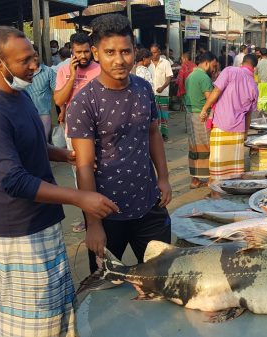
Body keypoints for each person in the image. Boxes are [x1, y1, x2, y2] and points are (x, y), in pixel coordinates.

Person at [0, 26, 118, 337]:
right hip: (17, 228)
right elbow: (13, 180)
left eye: (34, 58)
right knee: (33, 317)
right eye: (25, 61)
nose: (34, 66)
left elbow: (30, 144)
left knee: (56, 306)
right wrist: (78, 198)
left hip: (41, 219)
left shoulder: (18, 96)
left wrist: (65, 155)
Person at [66, 14, 172, 275]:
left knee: (162, 277)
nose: (119, 59)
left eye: (126, 51)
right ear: (95, 53)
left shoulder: (144, 89)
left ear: (134, 51)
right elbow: (84, 166)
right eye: (110, 52)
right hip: (105, 212)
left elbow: (153, 133)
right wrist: (93, 224)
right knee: (104, 287)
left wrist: (164, 178)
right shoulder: (83, 103)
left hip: (149, 204)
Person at [200, 54, 259, 199]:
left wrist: (205, 109)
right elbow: (249, 114)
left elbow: (216, 91)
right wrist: (245, 132)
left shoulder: (230, 71)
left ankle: (215, 193)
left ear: (242, 63)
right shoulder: (254, 85)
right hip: (238, 129)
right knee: (233, 166)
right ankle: (231, 193)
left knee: (217, 162)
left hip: (221, 124)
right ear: (254, 68)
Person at [184, 51, 218, 188]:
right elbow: (210, 97)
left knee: (194, 147)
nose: (214, 69)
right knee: (205, 146)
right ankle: (209, 178)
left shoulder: (190, 76)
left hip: (190, 114)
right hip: (201, 116)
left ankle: (195, 180)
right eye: (213, 66)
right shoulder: (204, 77)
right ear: (206, 63)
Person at [26, 45, 57, 140]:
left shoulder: (48, 72)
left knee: (43, 141)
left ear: (39, 55)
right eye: (30, 56)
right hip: (26, 114)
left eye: (35, 55)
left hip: (43, 114)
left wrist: (62, 111)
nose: (34, 58)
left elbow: (57, 92)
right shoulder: (21, 72)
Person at [149, 43, 174, 142]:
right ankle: (157, 134)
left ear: (159, 52)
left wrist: (162, 87)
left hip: (163, 93)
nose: (153, 55)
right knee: (155, 116)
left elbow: (169, 78)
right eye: (151, 53)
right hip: (152, 94)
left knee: (164, 115)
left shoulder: (165, 62)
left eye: (155, 52)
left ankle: (164, 134)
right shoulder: (148, 63)